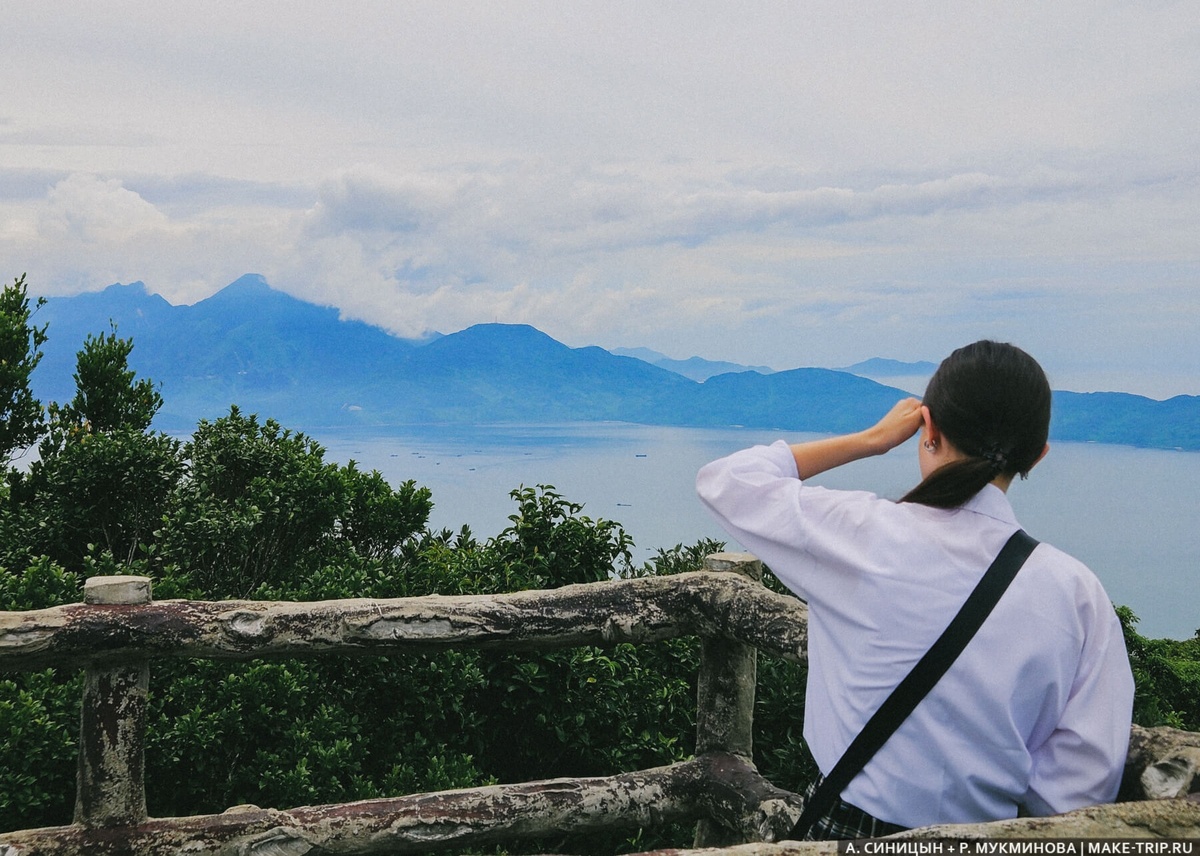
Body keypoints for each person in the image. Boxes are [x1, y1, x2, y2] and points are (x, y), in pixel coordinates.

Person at [695, 340, 1134, 839]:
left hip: (847, 829)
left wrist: (873, 439)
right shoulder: (1077, 594)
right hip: (991, 839)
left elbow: (726, 480)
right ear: (1037, 455)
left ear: (929, 430)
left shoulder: (860, 534)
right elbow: (1084, 780)